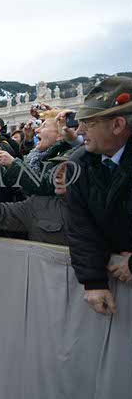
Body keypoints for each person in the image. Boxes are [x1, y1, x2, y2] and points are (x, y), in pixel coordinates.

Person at [65, 76, 132, 315]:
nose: (79, 131)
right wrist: (93, 281)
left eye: (88, 123)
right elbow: (81, 226)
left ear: (118, 125)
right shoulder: (78, 163)